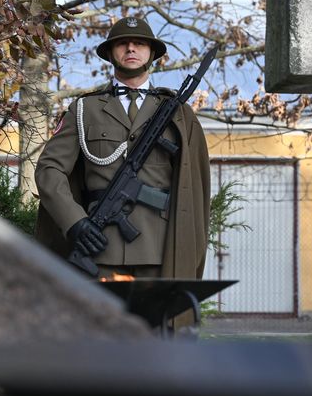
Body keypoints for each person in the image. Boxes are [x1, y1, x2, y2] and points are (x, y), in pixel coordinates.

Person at [35, 17, 210, 282]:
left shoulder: (179, 114)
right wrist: (75, 222)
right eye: (123, 44)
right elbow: (49, 169)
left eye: (139, 43)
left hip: (160, 249)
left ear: (152, 54)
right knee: (101, 323)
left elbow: (196, 185)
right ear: (109, 53)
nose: (131, 49)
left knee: (154, 323)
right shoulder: (84, 110)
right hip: (99, 249)